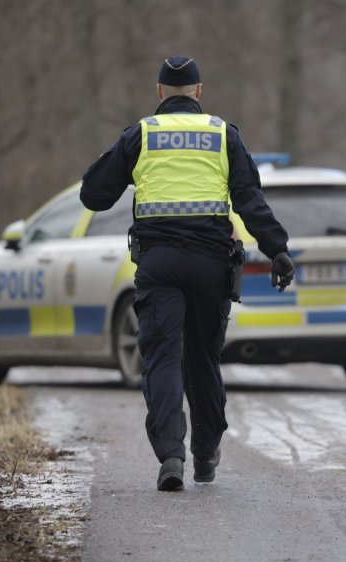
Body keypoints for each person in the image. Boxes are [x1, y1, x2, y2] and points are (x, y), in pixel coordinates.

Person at [80, 55, 294, 491]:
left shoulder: (141, 134)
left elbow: (93, 196)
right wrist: (278, 250)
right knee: (203, 359)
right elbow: (251, 201)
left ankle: (171, 456)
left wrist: (117, 162)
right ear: (198, 92)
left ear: (160, 92)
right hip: (210, 264)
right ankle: (206, 454)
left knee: (162, 358)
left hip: (159, 265)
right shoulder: (222, 135)